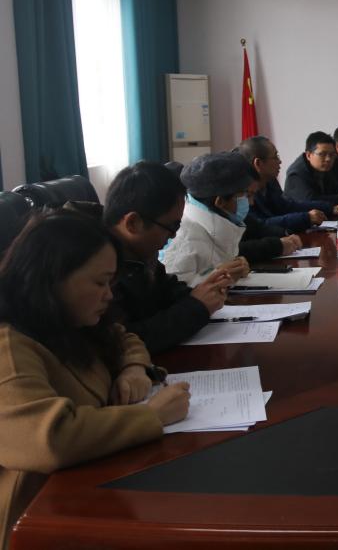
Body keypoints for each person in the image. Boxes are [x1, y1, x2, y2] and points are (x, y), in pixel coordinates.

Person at [0, 212, 190, 547]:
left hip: (92, 483)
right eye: (100, 283)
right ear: (52, 279)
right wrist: (152, 416)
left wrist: (134, 368)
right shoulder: (9, 346)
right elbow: (46, 440)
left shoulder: (69, 316)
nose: (109, 295)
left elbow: (124, 338)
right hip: (36, 519)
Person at [103, 162, 231, 356]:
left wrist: (204, 291)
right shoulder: (96, 266)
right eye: (172, 226)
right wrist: (196, 307)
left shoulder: (141, 252)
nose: (173, 236)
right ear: (133, 223)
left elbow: (167, 291)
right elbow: (124, 340)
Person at [160, 152, 253, 287]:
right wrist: (219, 275)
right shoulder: (184, 237)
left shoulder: (218, 225)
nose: (250, 202)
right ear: (220, 202)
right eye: (244, 195)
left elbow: (207, 269)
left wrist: (235, 268)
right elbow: (171, 290)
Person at [239, 135, 338, 232]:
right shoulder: (242, 190)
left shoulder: (270, 180)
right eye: (275, 157)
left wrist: (329, 208)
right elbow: (260, 225)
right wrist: (305, 217)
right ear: (258, 163)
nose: (280, 161)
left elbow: (286, 206)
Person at [285, 131, 338, 204]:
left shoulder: (324, 167)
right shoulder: (296, 174)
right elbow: (309, 201)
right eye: (322, 154)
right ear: (309, 155)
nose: (328, 159)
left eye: (332, 154)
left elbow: (335, 190)